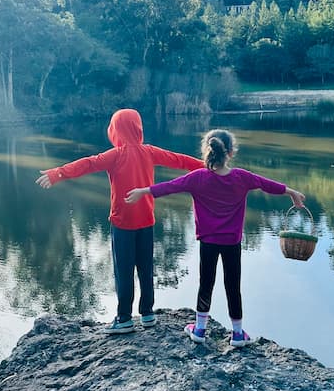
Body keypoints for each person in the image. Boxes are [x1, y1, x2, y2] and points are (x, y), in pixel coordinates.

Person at [125, 129, 305, 347]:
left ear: (207, 152)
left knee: (206, 283)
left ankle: (200, 329)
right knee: (233, 285)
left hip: (208, 242)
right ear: (230, 152)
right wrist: (292, 192)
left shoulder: (198, 178)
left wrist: (143, 191)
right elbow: (267, 184)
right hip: (232, 242)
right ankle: (238, 334)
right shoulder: (242, 177)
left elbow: (169, 187)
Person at [36, 109, 203, 334]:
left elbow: (87, 163)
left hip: (123, 224)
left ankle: (124, 318)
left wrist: (59, 173)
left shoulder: (115, 155)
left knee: (124, 271)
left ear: (115, 131)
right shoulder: (150, 151)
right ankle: (148, 314)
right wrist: (208, 165)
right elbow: (179, 160)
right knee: (145, 268)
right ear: (138, 128)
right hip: (146, 221)